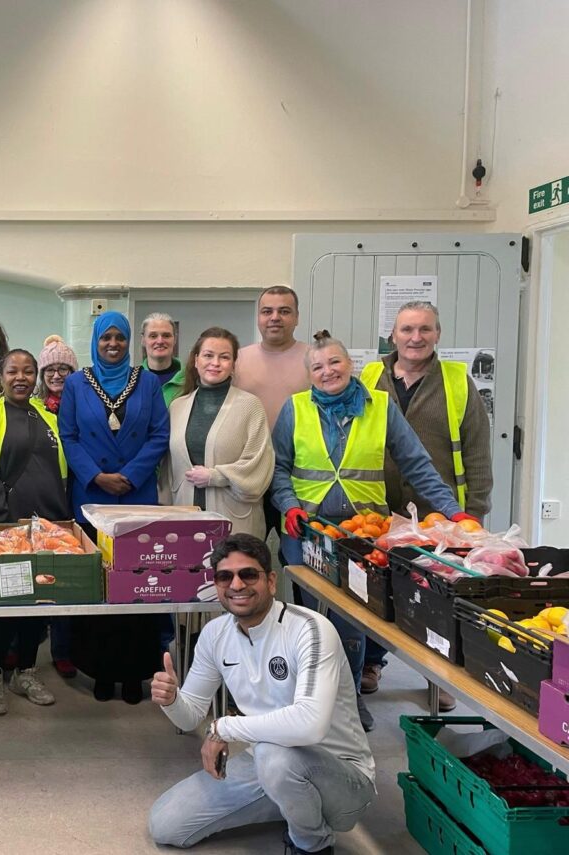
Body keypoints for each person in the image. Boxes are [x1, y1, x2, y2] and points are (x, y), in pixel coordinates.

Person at [271, 331, 472, 732]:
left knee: (353, 619)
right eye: (318, 367)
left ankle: (348, 703)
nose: (327, 371)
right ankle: (312, 701)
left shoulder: (380, 407)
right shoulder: (294, 409)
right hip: (306, 533)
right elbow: (278, 468)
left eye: (335, 363)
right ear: (309, 375)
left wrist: (455, 514)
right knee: (312, 619)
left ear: (351, 366)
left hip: (361, 536)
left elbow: (418, 466)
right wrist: (288, 505)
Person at [148, 534, 375, 855]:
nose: (237, 585)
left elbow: (309, 725)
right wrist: (172, 700)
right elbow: (190, 716)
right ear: (216, 586)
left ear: (270, 581)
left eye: (248, 574)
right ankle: (293, 803)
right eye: (225, 576)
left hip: (342, 777)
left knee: (274, 755)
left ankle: (312, 844)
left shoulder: (310, 629)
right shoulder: (215, 634)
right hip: (268, 765)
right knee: (166, 825)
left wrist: (224, 727)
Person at [359, 301, 492, 708]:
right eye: (407, 330)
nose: (416, 338)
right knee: (377, 586)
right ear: (393, 335)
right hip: (380, 505)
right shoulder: (370, 376)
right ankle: (372, 661)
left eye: (425, 330)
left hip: (440, 509)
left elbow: (477, 447)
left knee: (437, 592)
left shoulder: (455, 379)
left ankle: (440, 674)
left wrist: (476, 508)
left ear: (438, 334)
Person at [59, 311, 170, 703]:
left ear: (129, 342)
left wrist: (133, 474)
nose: (112, 344)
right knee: (100, 586)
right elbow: (68, 436)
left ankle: (136, 674)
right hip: (92, 498)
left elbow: (159, 434)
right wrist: (96, 476)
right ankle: (101, 671)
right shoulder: (76, 383)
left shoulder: (148, 383)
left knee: (140, 584)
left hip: (137, 495)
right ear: (95, 340)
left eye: (119, 338)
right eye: (105, 337)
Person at [0, 349, 68, 715]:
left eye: (28, 371)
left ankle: (25, 671)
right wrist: (1, 528)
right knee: (1, 606)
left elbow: (58, 473)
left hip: (46, 528)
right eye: (12, 371)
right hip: (4, 530)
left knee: (37, 602)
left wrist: (57, 524)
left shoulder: (48, 416)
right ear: (1, 376)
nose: (20, 378)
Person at [159, 327, 274, 536]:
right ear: (196, 360)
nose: (215, 363)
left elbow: (259, 466)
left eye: (224, 357)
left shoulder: (250, 406)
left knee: (231, 568)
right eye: (208, 355)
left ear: (233, 364)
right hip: (184, 519)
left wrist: (216, 476)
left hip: (233, 519)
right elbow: (168, 470)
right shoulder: (177, 407)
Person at [233, 285, 310, 539]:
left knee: (300, 558)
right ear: (258, 317)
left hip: (299, 478)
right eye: (267, 311)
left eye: (284, 311)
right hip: (250, 475)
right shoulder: (238, 361)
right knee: (246, 551)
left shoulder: (315, 360)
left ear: (297, 317)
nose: (275, 317)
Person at [35, 334, 80, 678]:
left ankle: (64, 649)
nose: (57, 375)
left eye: (64, 368)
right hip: (42, 494)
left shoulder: (83, 401)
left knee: (66, 575)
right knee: (36, 571)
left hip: (75, 491)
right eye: (51, 369)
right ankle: (26, 648)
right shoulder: (34, 406)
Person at [140, 312, 185, 405]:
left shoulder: (191, 379)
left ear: (175, 339)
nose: (160, 341)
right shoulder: (132, 379)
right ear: (143, 340)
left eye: (166, 336)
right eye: (153, 336)